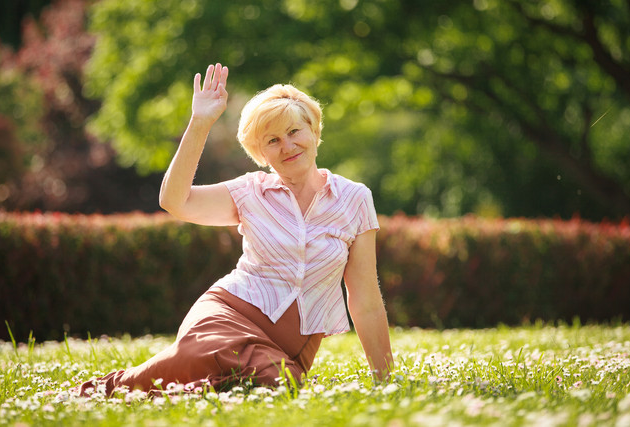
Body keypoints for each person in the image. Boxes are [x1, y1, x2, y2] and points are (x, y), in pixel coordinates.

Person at [77, 63, 393, 396]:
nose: (287, 146)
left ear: (314, 132)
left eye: (294, 131)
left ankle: (176, 388)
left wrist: (385, 380)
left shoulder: (355, 198)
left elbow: (365, 299)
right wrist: (201, 123)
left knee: (279, 385)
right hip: (228, 312)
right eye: (272, 140)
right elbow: (174, 200)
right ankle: (113, 387)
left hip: (289, 348)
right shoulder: (249, 191)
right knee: (211, 354)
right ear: (261, 153)